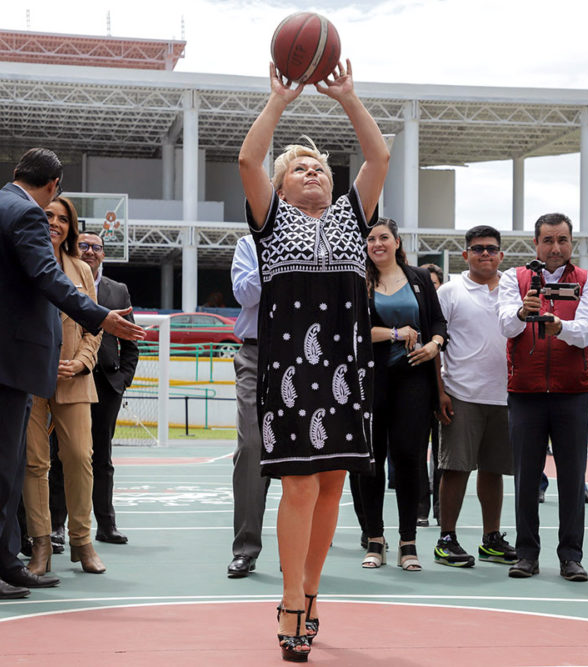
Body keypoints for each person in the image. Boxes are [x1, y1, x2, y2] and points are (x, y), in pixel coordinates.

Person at [238, 60, 389, 661]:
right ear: (282, 186)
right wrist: (278, 101)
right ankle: (290, 599)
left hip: (348, 373)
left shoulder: (353, 218)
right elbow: (249, 160)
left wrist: (349, 99)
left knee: (331, 487)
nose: (314, 175)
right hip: (291, 375)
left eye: (322, 168)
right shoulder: (271, 222)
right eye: (301, 168)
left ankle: (314, 590)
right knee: (298, 486)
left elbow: (377, 159)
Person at [0, 148, 145, 600]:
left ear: (17, 172)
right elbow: (48, 278)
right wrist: (102, 317)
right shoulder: (27, 215)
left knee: (9, 466)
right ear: (54, 186)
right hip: (12, 360)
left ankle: (1, 559)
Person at [497, 212, 588, 582]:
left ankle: (571, 556)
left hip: (572, 393)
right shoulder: (515, 277)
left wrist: (559, 326)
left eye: (562, 240)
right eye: (547, 240)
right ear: (535, 244)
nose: (555, 248)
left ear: (571, 243)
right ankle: (526, 553)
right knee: (525, 476)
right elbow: (505, 326)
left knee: (573, 477)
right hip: (525, 392)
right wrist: (520, 311)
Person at [23, 197, 106, 576]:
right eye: (47, 216)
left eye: (62, 218)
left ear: (71, 227)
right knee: (34, 462)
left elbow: (95, 325)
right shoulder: (21, 261)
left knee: (79, 458)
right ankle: (41, 544)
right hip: (30, 378)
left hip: (74, 378)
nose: (54, 222)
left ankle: (82, 542)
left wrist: (83, 361)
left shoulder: (81, 269)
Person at [358, 218, 447, 572]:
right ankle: (375, 538)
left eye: (383, 237)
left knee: (409, 458)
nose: (377, 244)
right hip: (372, 381)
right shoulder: (358, 282)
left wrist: (434, 345)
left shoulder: (420, 279)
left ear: (397, 242)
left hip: (414, 379)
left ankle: (408, 542)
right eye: (370, 239)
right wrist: (396, 333)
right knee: (371, 461)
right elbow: (355, 330)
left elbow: (438, 323)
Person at [49, 231, 138, 547]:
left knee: (102, 457)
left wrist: (122, 380)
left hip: (106, 385)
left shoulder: (118, 290)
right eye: (84, 245)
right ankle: (56, 526)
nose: (90, 251)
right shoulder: (59, 280)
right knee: (61, 455)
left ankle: (106, 524)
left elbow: (131, 343)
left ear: (103, 254)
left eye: (96, 247)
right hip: (69, 378)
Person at [433, 225, 515, 569]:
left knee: (494, 470)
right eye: (478, 248)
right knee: (455, 468)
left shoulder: (513, 291)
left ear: (501, 254)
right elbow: (435, 344)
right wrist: (440, 391)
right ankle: (446, 539)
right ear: (465, 254)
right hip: (461, 392)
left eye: (492, 248)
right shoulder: (450, 292)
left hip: (505, 394)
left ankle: (491, 538)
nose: (485, 254)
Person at [227, 234, 269, 578]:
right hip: (257, 353)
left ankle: (299, 549)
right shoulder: (249, 244)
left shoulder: (320, 241)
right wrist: (276, 253)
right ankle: (245, 547)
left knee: (304, 451)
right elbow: (245, 294)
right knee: (251, 447)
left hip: (307, 353)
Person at [417, 262, 444, 527]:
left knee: (441, 454)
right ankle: (420, 509)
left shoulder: (445, 312)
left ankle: (441, 510)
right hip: (418, 386)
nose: (428, 287)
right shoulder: (412, 311)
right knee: (416, 452)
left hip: (446, 388)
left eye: (433, 283)